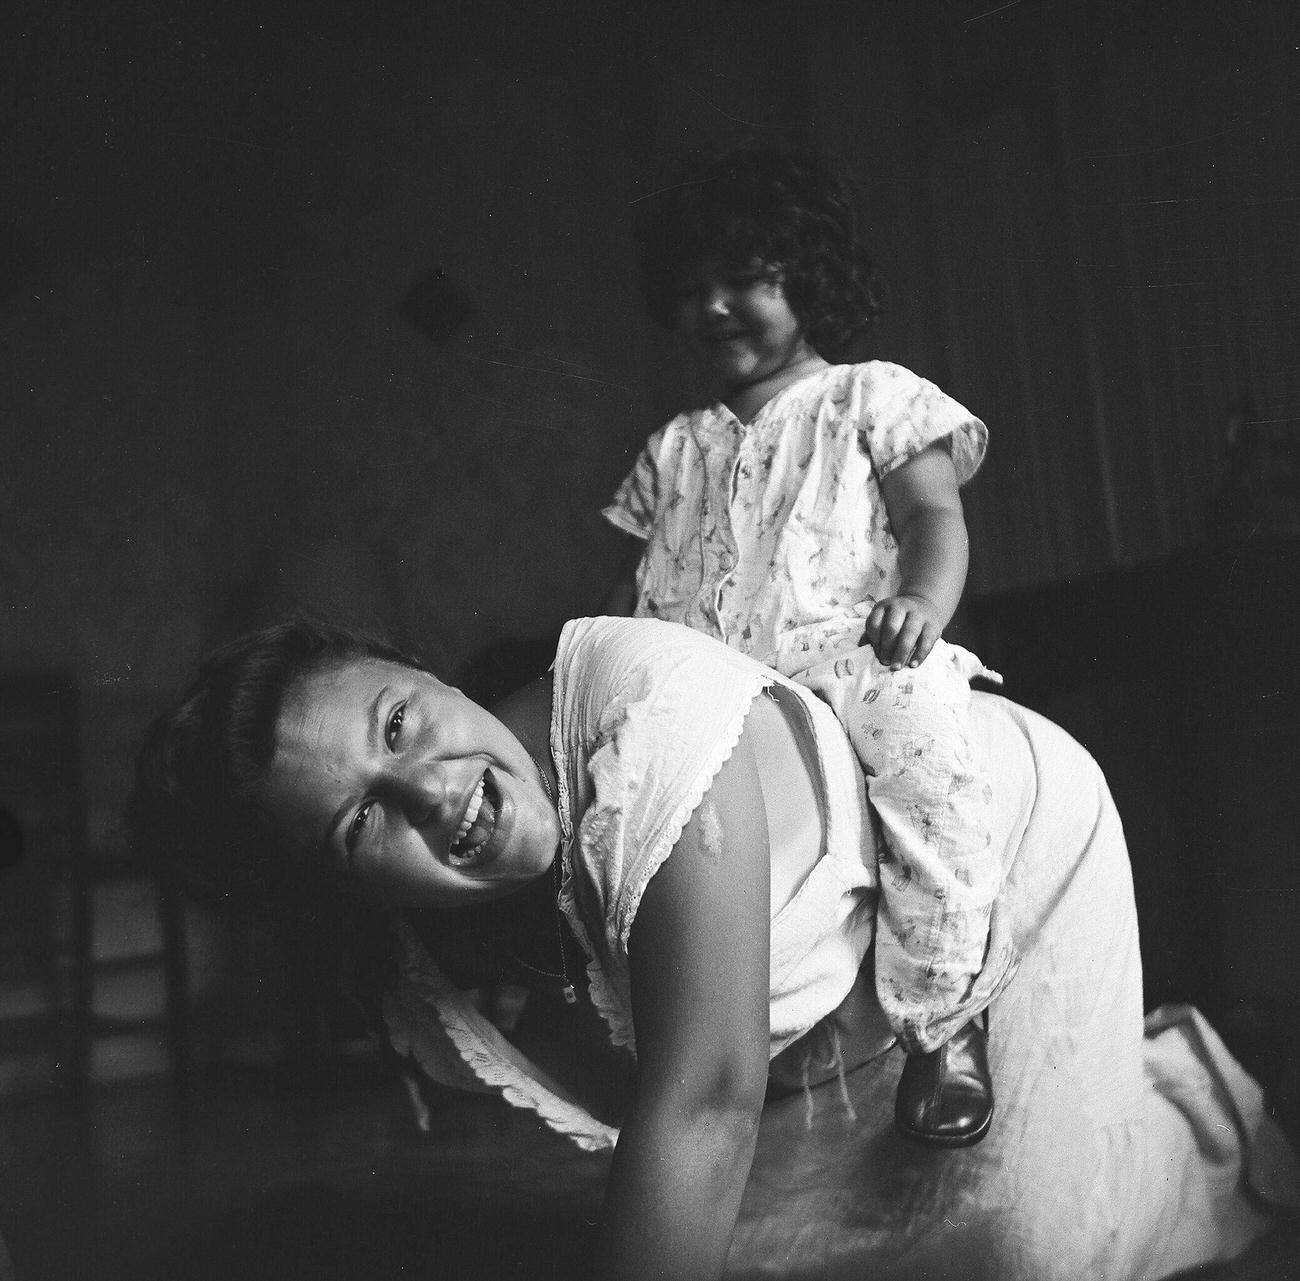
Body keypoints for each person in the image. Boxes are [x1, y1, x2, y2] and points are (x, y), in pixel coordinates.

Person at [128, 615, 1296, 1281]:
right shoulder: (426, 963)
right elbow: (660, 1093)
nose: (436, 793)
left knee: (1036, 1255)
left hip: (993, 855)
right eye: (361, 820)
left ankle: (1187, 1098)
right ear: (338, 891)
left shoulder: (646, 723)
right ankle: (1107, 1076)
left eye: (398, 723)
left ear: (424, 671)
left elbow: (703, 1104)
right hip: (824, 975)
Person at [604, 146, 1009, 1145]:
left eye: (744, 279)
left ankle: (945, 1018)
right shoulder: (672, 447)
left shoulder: (871, 396)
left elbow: (932, 518)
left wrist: (920, 602)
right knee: (614, 787)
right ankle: (617, 1027)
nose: (715, 307)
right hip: (709, 679)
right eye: (692, 289)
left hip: (842, 646)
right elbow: (633, 586)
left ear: (807, 277)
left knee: (923, 737)